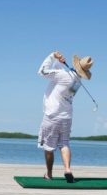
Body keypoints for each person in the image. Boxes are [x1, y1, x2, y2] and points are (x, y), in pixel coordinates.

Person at [37, 51, 93, 183]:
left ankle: (49, 174)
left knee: (49, 148)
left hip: (52, 115)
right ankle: (67, 169)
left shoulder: (63, 75)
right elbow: (59, 75)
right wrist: (59, 61)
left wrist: (52, 56)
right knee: (64, 144)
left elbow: (42, 71)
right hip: (66, 116)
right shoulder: (77, 81)